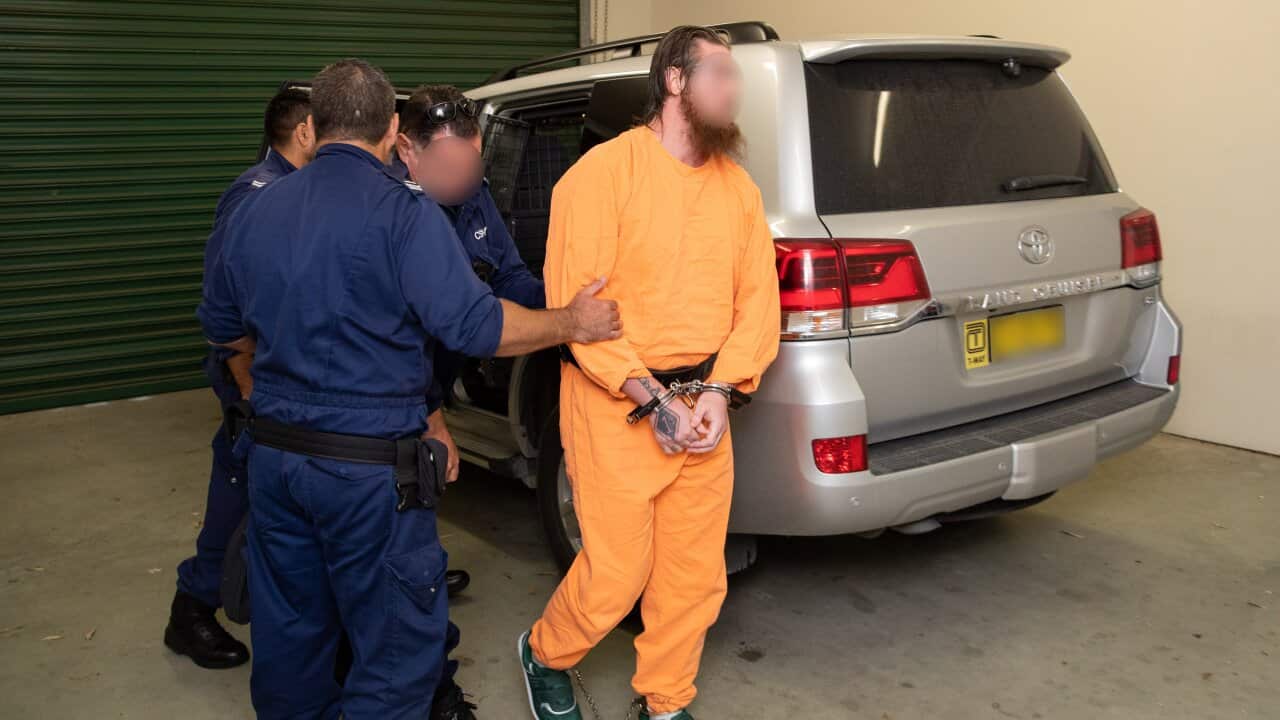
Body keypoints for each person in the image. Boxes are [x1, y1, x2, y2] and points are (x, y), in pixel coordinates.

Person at [197, 58, 620, 720]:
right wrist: (571, 320)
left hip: (276, 463)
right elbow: (475, 325)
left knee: (293, 639)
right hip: (369, 472)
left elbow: (224, 328)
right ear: (393, 128)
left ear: (314, 127)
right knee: (395, 656)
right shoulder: (405, 215)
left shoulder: (256, 207)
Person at [517, 26, 780, 720]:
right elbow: (578, 313)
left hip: (704, 410)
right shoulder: (600, 178)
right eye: (720, 73)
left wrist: (719, 393)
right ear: (673, 81)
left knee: (694, 578)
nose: (733, 89)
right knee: (616, 575)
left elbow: (759, 304)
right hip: (618, 404)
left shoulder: (739, 191)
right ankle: (545, 652)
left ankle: (665, 700)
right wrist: (654, 399)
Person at [165, 87, 314, 670]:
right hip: (254, 377)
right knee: (241, 493)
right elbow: (221, 304)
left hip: (288, 376)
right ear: (304, 131)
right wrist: (249, 385)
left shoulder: (302, 191)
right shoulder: (257, 194)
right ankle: (193, 606)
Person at [390, 83, 547, 598]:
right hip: (393, 392)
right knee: (394, 498)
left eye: (473, 165)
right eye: (451, 168)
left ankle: (420, 576)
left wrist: (557, 302)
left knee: (419, 494)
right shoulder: (389, 214)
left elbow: (509, 278)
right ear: (406, 150)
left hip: (436, 373)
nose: (467, 179)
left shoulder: (472, 196)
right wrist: (434, 417)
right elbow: (402, 342)